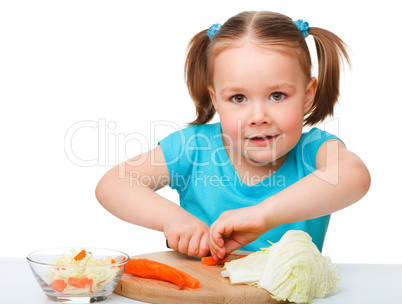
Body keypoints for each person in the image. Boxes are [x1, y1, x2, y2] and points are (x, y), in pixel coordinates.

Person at [95, 11, 370, 261]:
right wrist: (173, 220)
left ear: (308, 95)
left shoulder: (313, 150)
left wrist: (264, 216)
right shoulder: (194, 147)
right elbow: (113, 185)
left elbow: (354, 176)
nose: (258, 116)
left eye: (278, 95)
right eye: (238, 97)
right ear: (216, 100)